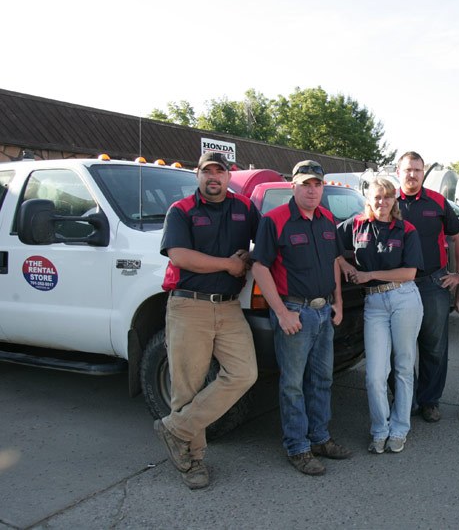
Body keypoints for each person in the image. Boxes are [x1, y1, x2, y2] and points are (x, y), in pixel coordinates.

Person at [155, 151, 260, 490]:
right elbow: (179, 256)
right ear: (197, 175)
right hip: (189, 306)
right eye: (207, 171)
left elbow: (264, 240)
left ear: (229, 176)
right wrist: (228, 264)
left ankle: (175, 428)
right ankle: (194, 461)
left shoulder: (244, 207)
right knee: (187, 388)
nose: (214, 177)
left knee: (244, 373)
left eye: (220, 171)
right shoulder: (181, 210)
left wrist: (249, 255)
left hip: (229, 307)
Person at [251, 160, 352, 476]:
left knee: (322, 379)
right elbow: (260, 267)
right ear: (292, 186)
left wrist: (338, 302)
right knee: (293, 385)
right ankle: (297, 447)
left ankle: (320, 438)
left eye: (317, 184)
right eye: (305, 184)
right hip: (295, 313)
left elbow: (334, 262)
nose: (312, 190)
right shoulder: (274, 220)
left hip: (324, 312)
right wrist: (282, 313)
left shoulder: (327, 219)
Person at [338, 178, 424, 454]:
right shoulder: (356, 225)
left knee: (403, 367)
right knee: (375, 375)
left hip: (403, 298)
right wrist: (344, 266)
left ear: (394, 200)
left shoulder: (406, 229)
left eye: (387, 197)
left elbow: (409, 272)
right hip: (374, 303)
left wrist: (369, 275)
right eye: (377, 197)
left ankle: (399, 429)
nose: (382, 202)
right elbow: (328, 242)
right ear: (368, 198)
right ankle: (379, 429)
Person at [395, 151, 459, 423]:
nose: (412, 174)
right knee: (398, 348)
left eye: (417, 169)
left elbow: (458, 236)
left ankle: (429, 401)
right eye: (407, 169)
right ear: (398, 172)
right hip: (397, 285)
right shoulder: (388, 201)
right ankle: (407, 399)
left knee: (434, 347)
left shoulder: (437, 202)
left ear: (423, 172)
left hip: (432, 283)